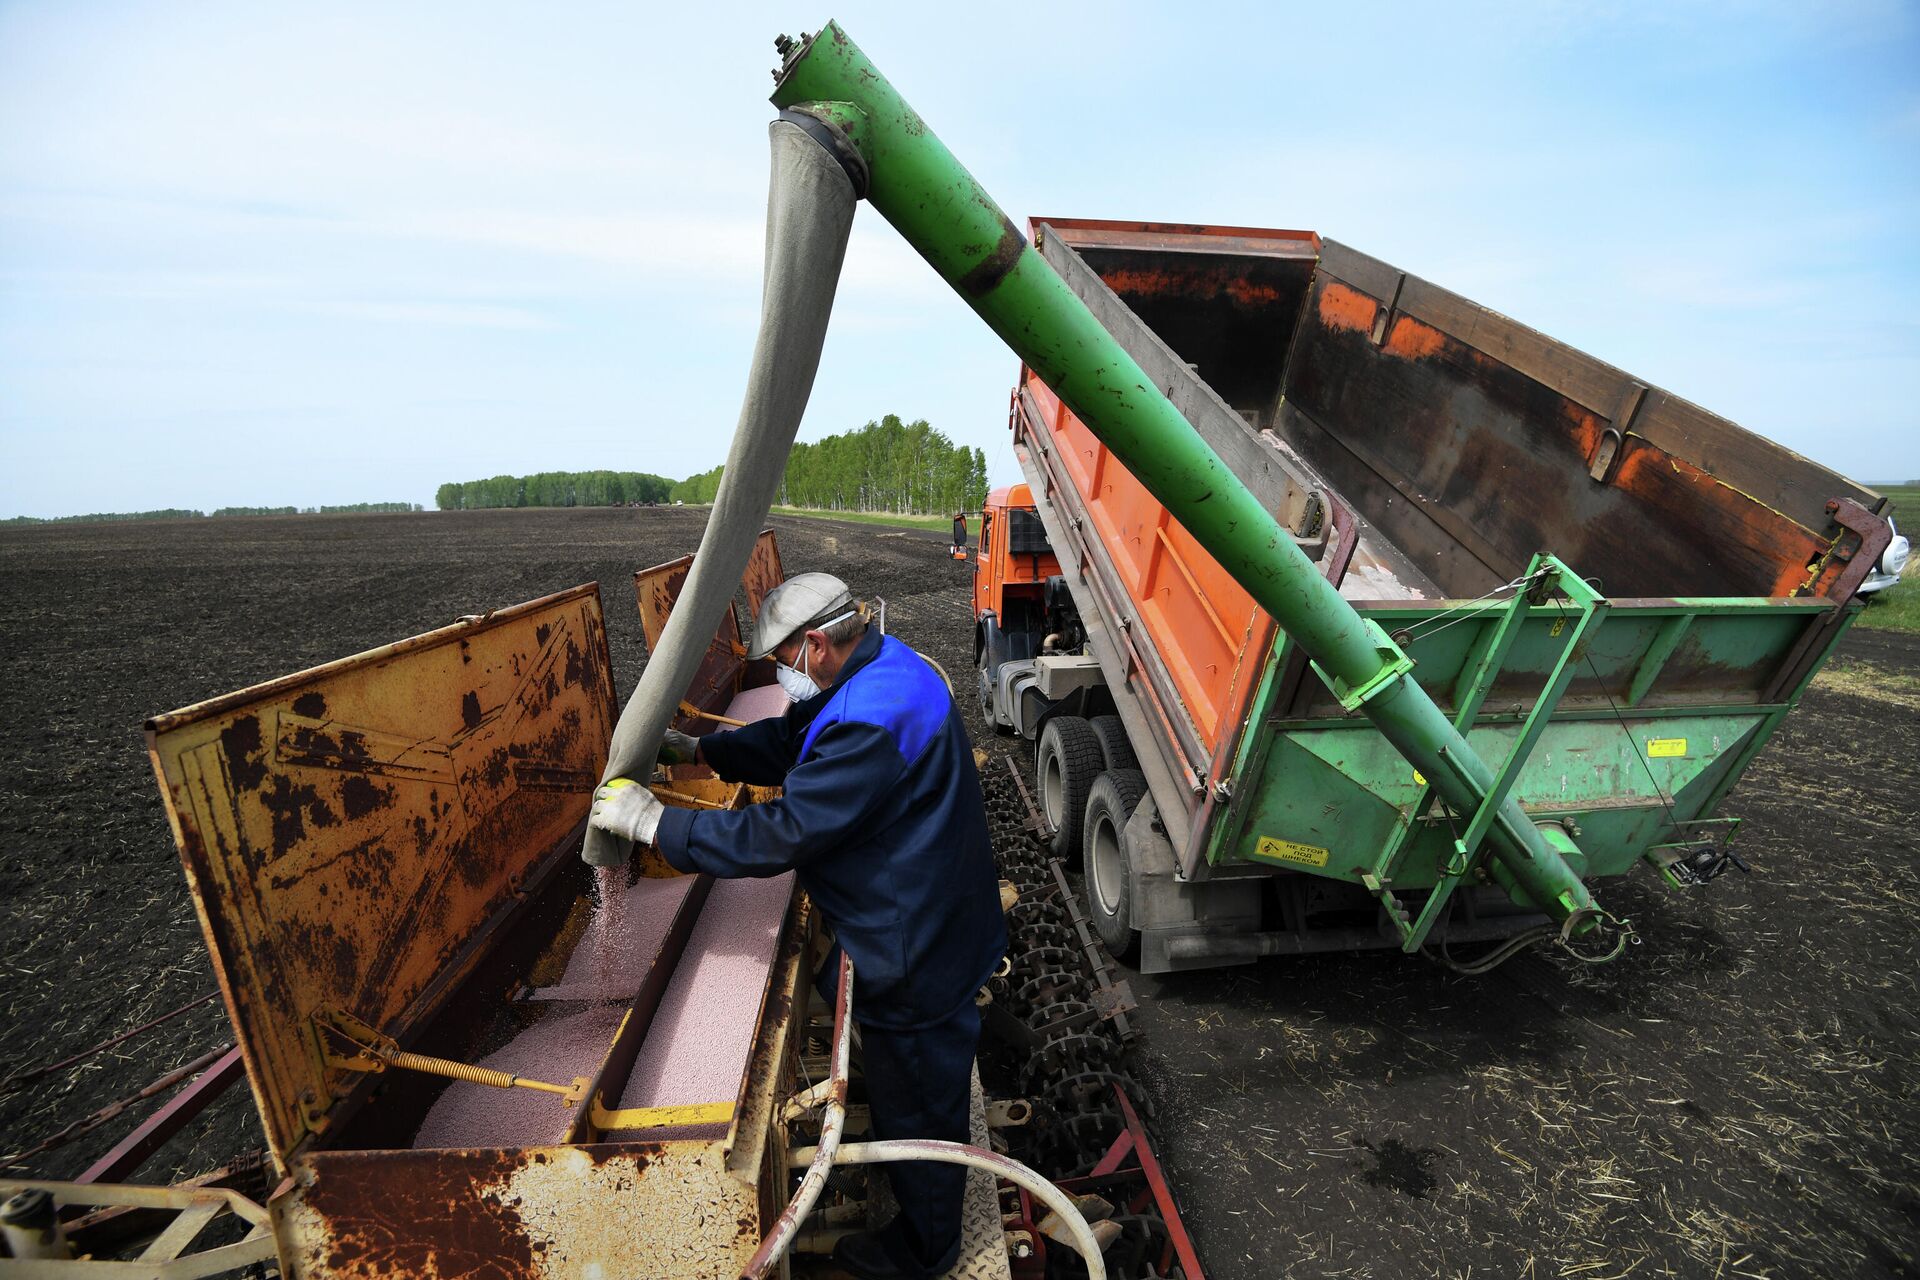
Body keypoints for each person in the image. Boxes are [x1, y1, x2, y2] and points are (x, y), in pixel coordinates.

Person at [588, 571, 1006, 1280]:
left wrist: (657, 824)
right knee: (892, 1046)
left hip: (916, 946)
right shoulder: (880, 667)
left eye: (783, 660)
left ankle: (925, 1250)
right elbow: (794, 739)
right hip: (936, 903)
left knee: (919, 1100)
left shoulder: (871, 722)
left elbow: (779, 834)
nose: (782, 674)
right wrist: (701, 753)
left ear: (815, 643)